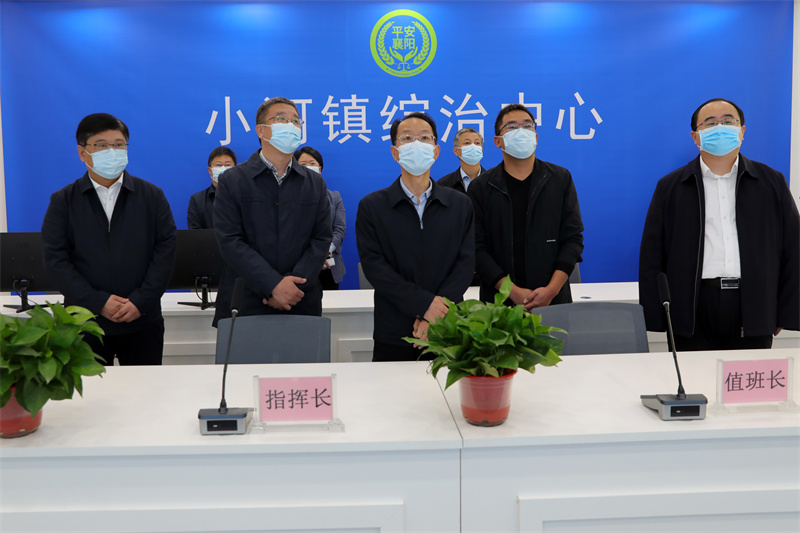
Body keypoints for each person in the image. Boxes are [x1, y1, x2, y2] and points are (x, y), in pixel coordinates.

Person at [639, 98, 799, 351]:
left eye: (728, 121)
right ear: (695, 136)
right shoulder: (671, 187)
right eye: (710, 123)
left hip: (754, 304)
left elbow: (793, 248)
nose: (720, 128)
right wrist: (658, 317)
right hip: (692, 306)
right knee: (692, 376)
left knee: (747, 376)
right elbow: (652, 255)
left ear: (742, 131)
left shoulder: (770, 182)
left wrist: (783, 311)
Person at [41, 113, 177, 365]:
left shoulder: (151, 196)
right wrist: (98, 302)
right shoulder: (63, 201)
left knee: (145, 389)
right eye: (102, 145)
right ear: (82, 153)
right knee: (88, 391)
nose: (112, 152)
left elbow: (165, 252)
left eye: (118, 145)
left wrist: (140, 301)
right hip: (85, 323)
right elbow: (56, 260)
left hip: (142, 320)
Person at [356, 112, 474, 362]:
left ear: (436, 150)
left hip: (448, 326)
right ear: (395, 152)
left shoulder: (460, 204)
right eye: (407, 138)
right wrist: (424, 305)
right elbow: (375, 268)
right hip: (394, 330)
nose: (416, 144)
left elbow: (465, 264)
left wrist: (436, 313)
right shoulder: (372, 206)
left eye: (424, 138)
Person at [212, 97, 331, 324]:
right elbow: (230, 240)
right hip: (246, 301)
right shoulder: (232, 180)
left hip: (300, 299)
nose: (290, 126)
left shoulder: (315, 183)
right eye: (281, 119)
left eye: (295, 121)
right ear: (261, 130)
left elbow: (321, 238)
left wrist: (292, 287)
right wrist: (272, 285)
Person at [468, 104, 584, 310]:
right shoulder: (481, 187)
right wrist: (512, 291)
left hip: (554, 302)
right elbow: (476, 248)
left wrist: (551, 290)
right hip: (499, 305)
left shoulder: (559, 179)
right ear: (497, 141)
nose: (521, 131)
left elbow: (573, 240)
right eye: (512, 127)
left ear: (536, 137)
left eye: (528, 126)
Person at [294, 146, 346, 290]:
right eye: (303, 164)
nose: (308, 167)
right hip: (298, 265)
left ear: (320, 168)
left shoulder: (334, 197)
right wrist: (312, 255)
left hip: (328, 265)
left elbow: (339, 229)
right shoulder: (287, 198)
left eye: (312, 163)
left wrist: (324, 252)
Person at [187, 147, 237, 229]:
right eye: (218, 165)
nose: (223, 169)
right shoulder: (197, 200)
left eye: (227, 165)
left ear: (235, 169)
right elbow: (195, 232)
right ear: (210, 170)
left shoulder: (244, 196)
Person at [437, 127, 486, 193]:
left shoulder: (493, 181)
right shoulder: (444, 184)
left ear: (481, 150)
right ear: (456, 151)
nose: (473, 146)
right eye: (467, 143)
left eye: (477, 143)